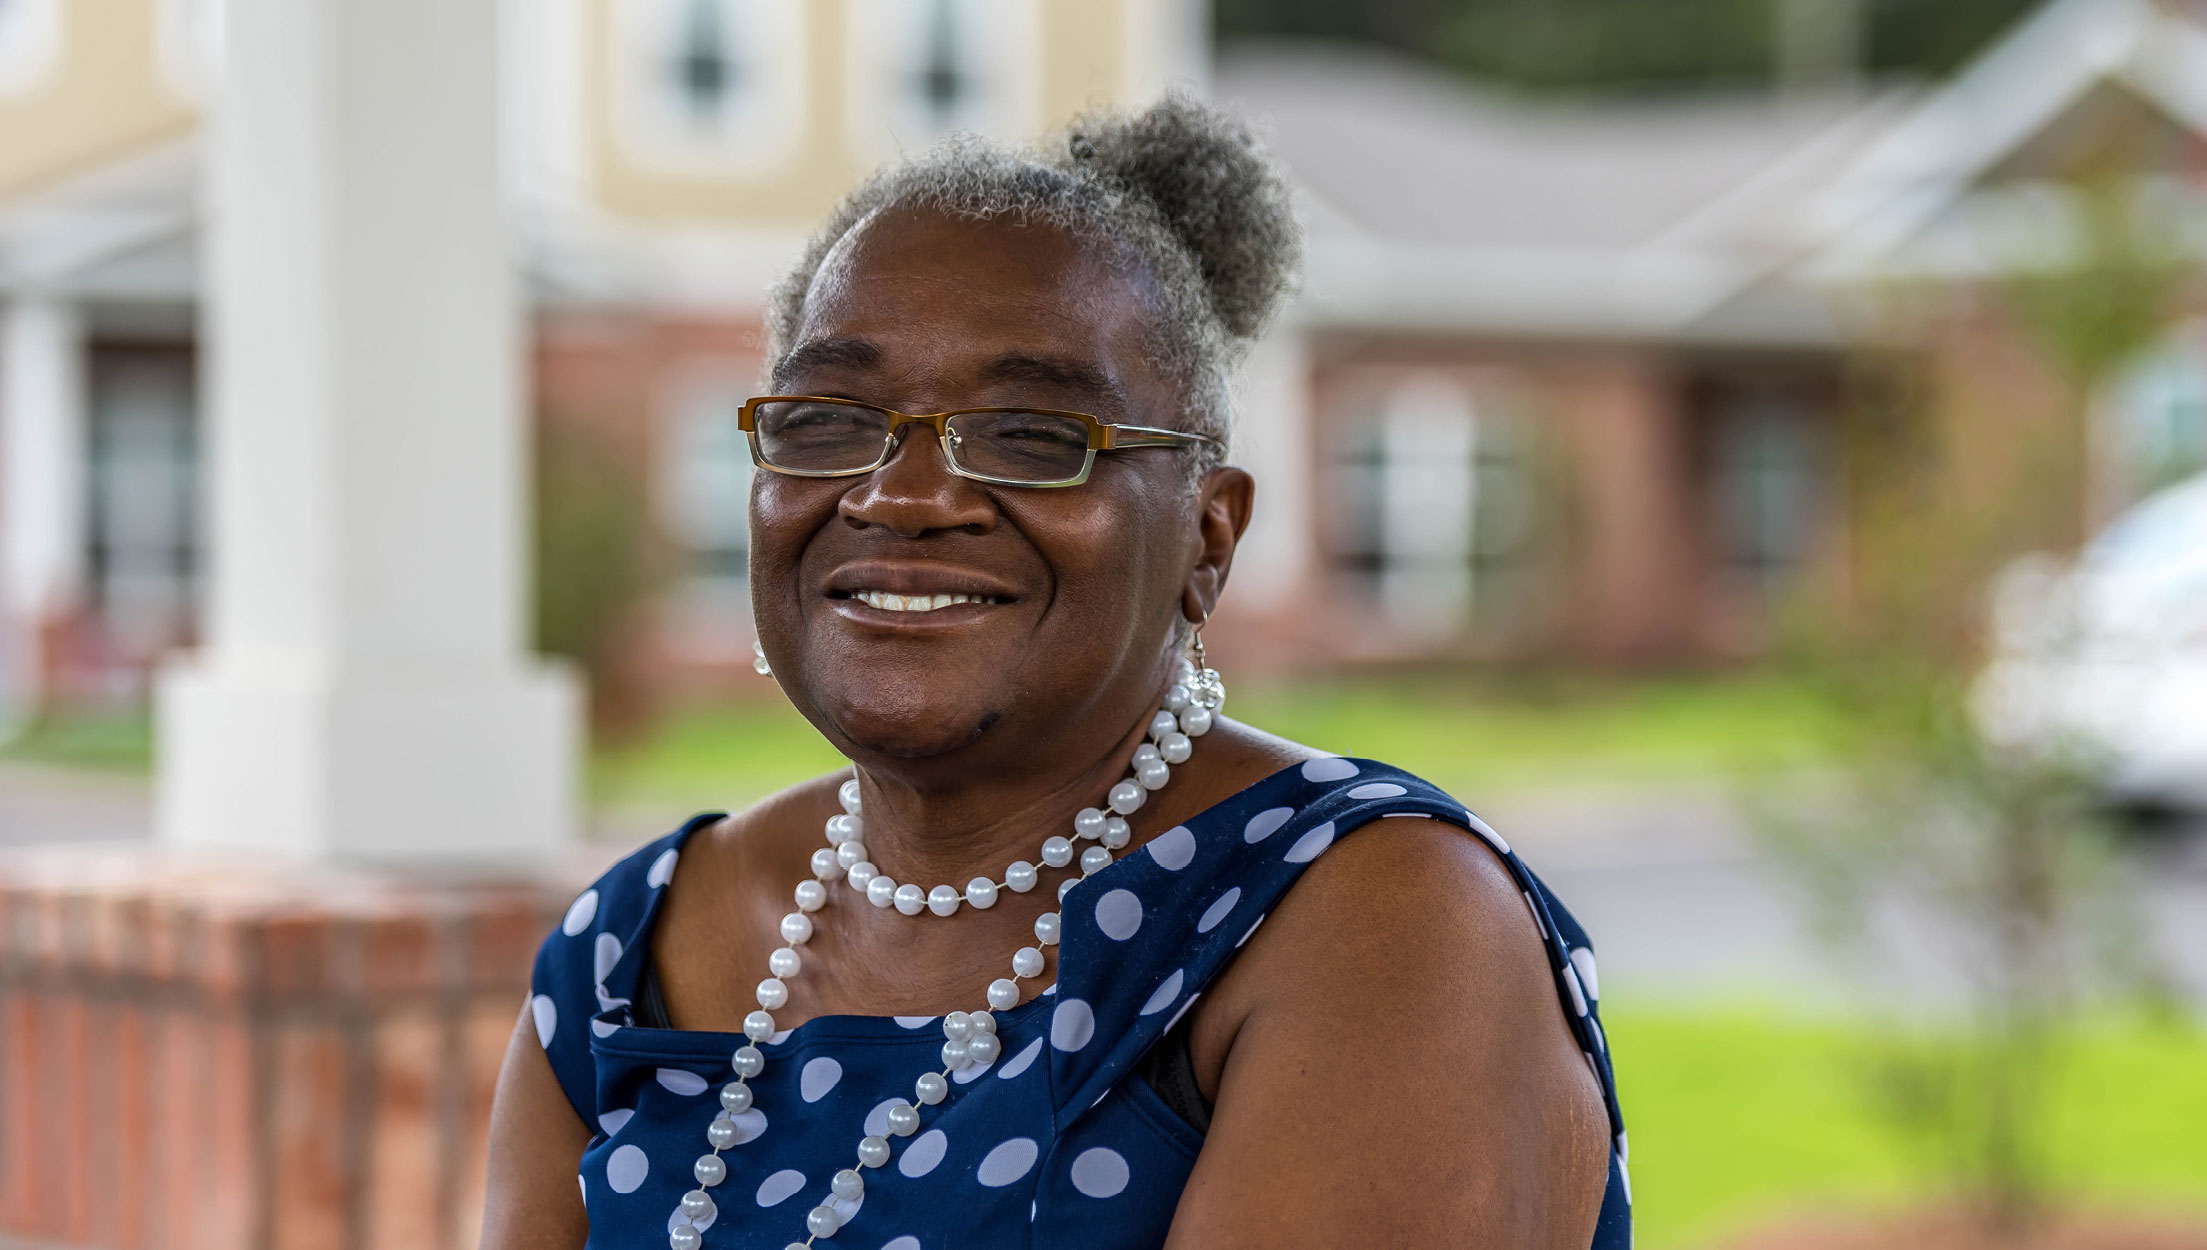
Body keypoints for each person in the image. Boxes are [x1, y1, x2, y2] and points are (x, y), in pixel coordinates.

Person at [483, 95, 1629, 1250]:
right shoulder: (628, 952)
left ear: (1207, 537)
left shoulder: (1375, 919)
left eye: (1032, 434)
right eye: (829, 419)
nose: (901, 495)